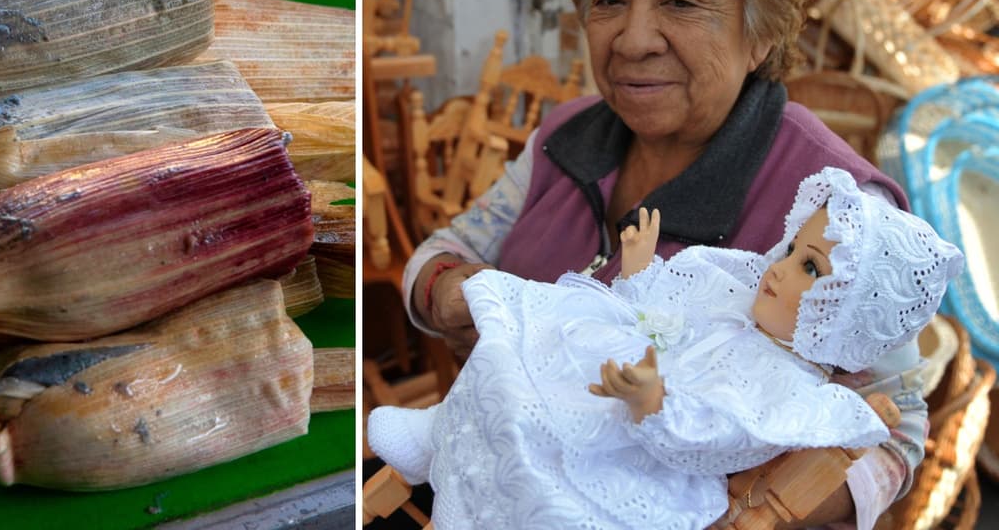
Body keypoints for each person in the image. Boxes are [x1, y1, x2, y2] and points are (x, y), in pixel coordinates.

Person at [401, 0, 926, 529]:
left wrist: (751, 511)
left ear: (762, 30)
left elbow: (897, 431)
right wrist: (457, 298)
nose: (634, 38)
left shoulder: (835, 205)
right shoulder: (567, 137)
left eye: (680, 2)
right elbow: (443, 254)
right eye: (609, 0)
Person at [371, 168, 963, 530]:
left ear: (843, 315)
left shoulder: (788, 388)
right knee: (522, 343)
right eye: (791, 251)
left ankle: (470, 506)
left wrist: (657, 406)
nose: (780, 268)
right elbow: (660, 315)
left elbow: (721, 438)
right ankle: (436, 432)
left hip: (641, 457)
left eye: (810, 269)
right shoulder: (737, 290)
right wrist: (639, 270)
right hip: (613, 380)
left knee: (541, 442)